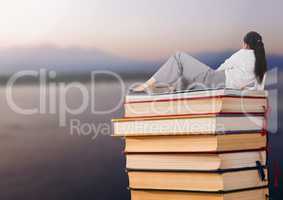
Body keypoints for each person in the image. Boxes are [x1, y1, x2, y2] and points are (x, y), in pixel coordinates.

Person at [133, 31, 267, 93]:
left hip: (218, 80)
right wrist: (241, 86)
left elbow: (224, 65)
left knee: (178, 57)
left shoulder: (243, 53)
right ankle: (168, 88)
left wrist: (210, 76)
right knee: (190, 79)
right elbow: (259, 89)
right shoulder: (262, 62)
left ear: (245, 44)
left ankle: (147, 84)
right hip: (226, 86)